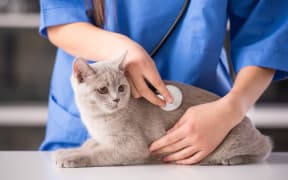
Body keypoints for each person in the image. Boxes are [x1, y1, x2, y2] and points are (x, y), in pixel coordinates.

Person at [39, 0, 288, 164]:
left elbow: (265, 34)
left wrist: (231, 109)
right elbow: (60, 17)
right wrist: (121, 50)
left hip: (204, 123)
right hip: (89, 120)